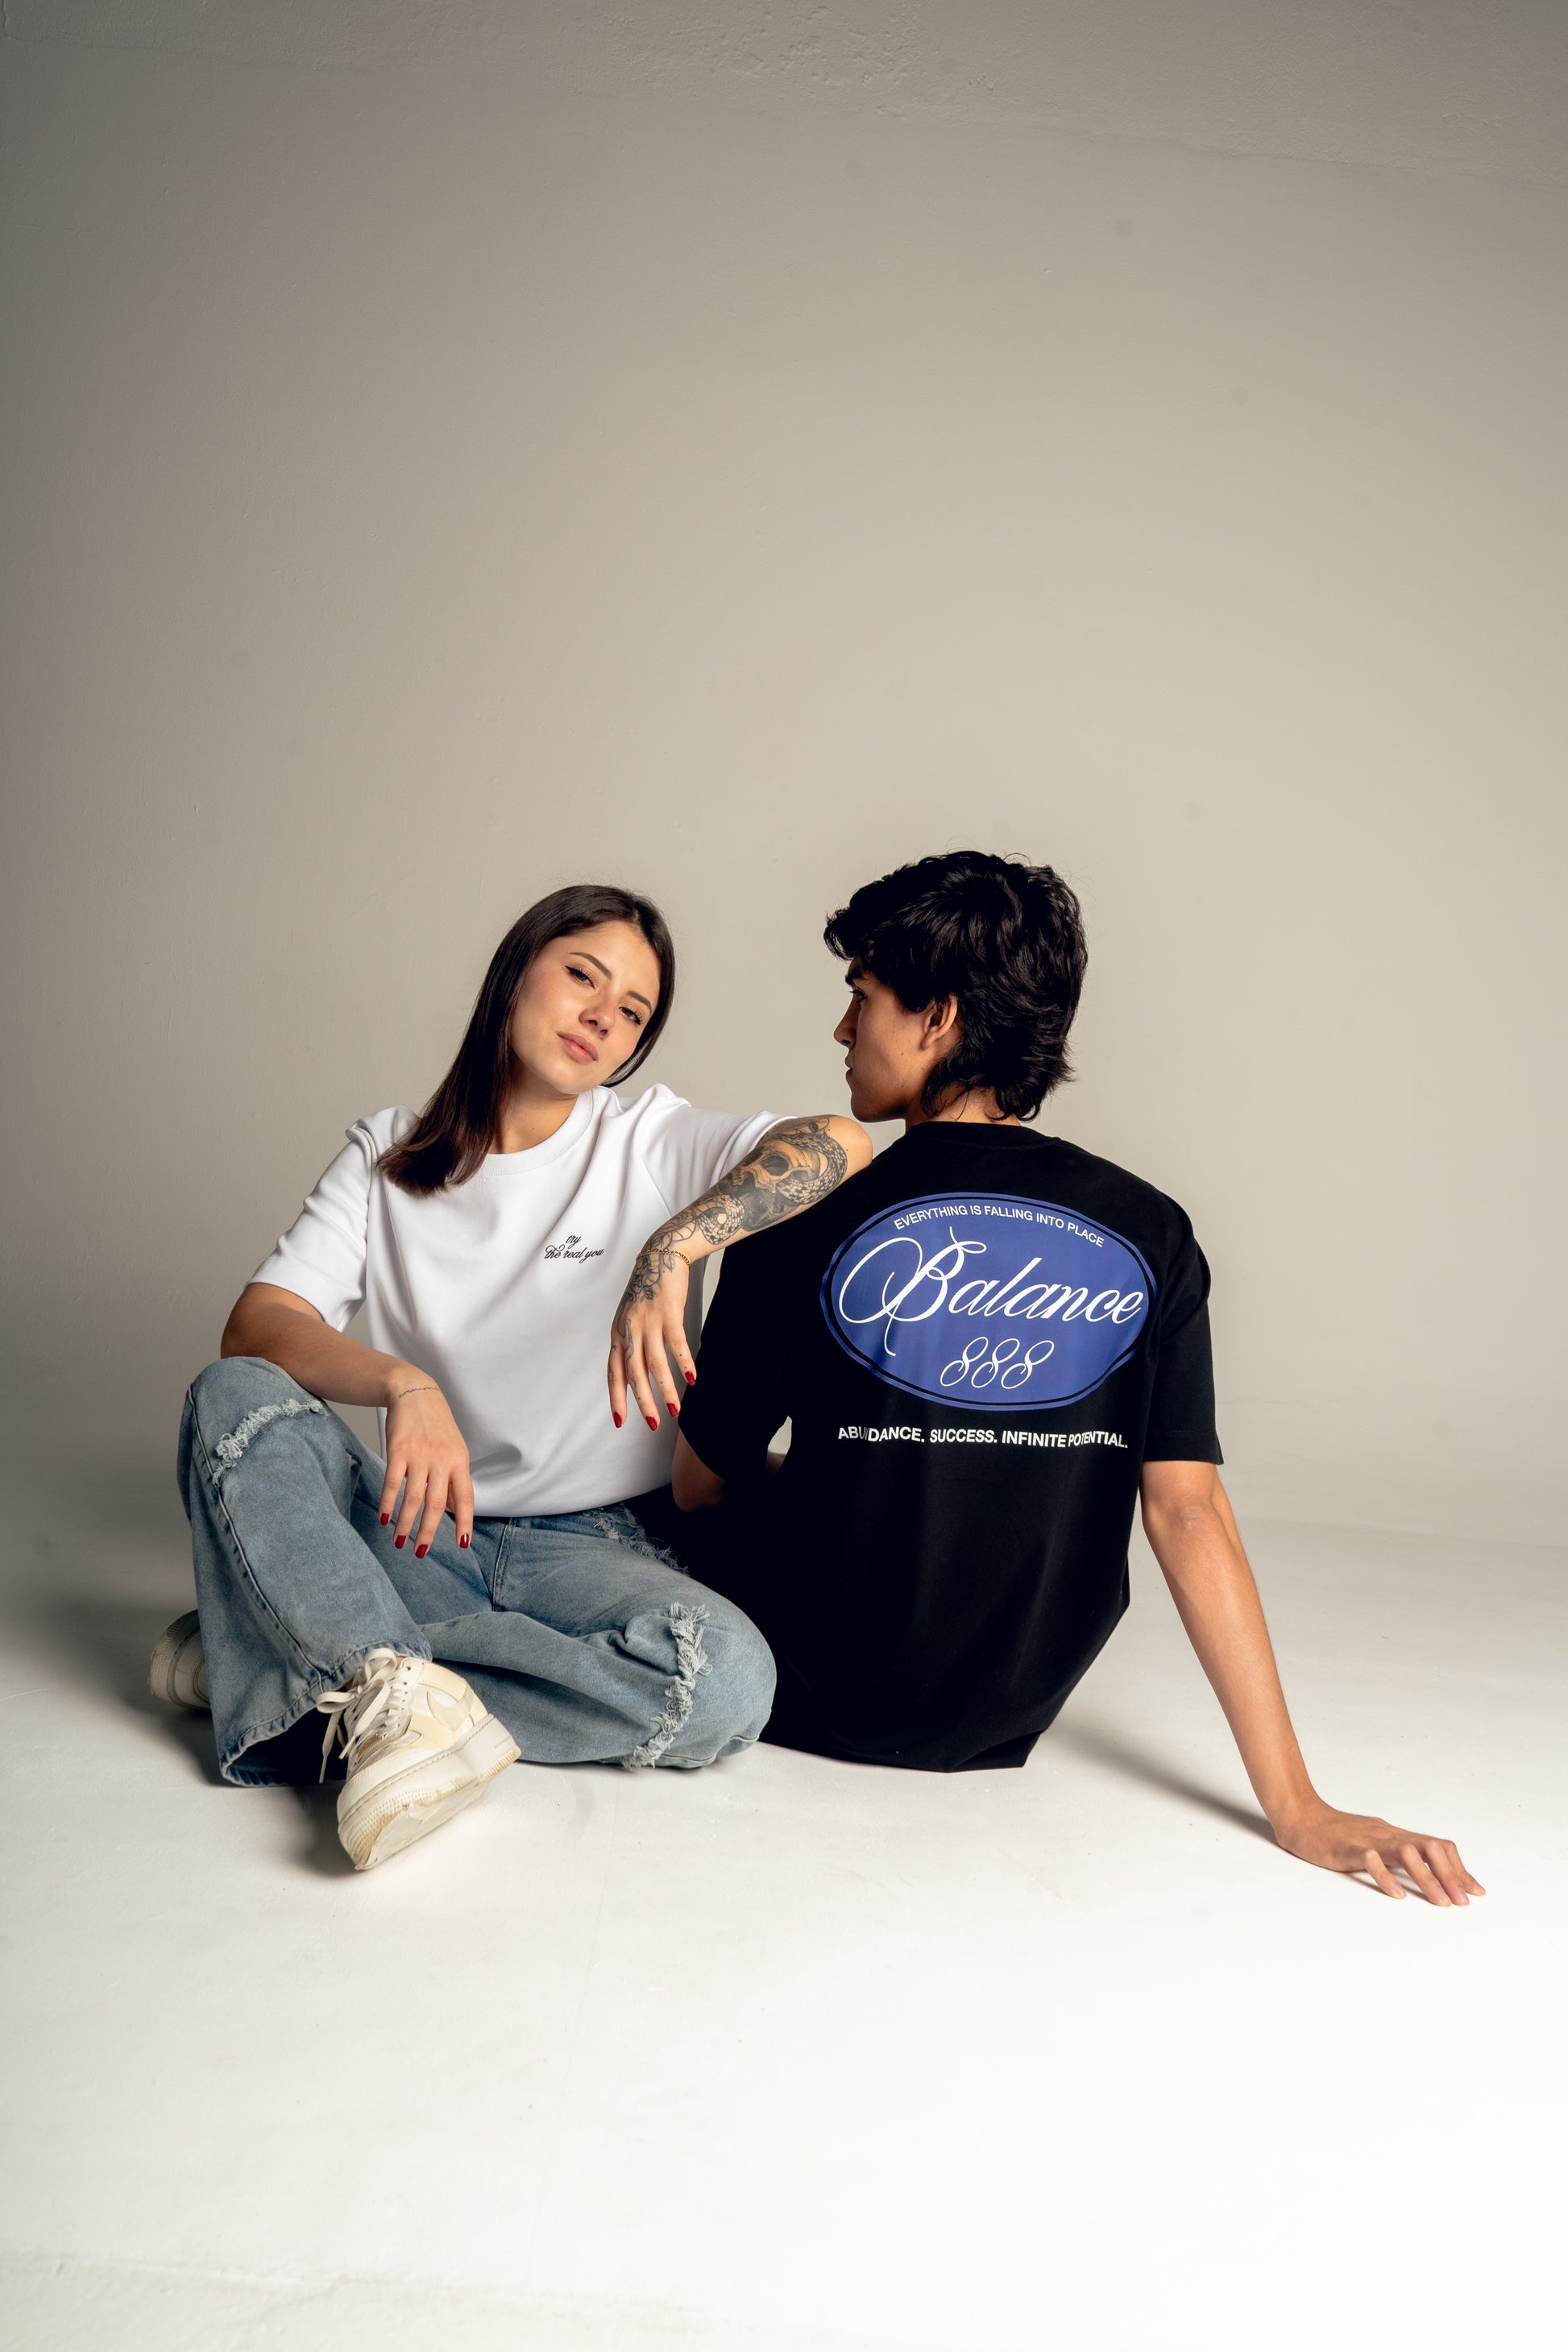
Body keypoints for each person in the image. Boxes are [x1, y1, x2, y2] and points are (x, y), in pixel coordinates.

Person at [670, 852, 1484, 1908]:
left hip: (801, 1685)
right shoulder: (1149, 1228)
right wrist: (1297, 1804)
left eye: (860, 997)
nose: (841, 1029)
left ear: (937, 1017)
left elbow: (701, 1484)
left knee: (615, 1499)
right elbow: (1186, 1512)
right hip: (1005, 1707)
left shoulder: (800, 1215)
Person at [151, 882, 869, 1871]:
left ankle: (310, 1658)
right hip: (420, 1526)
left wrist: (674, 1244)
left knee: (725, 1683)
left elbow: (839, 1143)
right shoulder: (386, 1156)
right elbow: (259, 1325)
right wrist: (404, 1385)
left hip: (600, 1546)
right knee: (230, 1394)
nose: (601, 1018)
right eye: (582, 976)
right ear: (516, 969)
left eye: (633, 1012)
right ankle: (367, 1679)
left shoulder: (647, 1141)